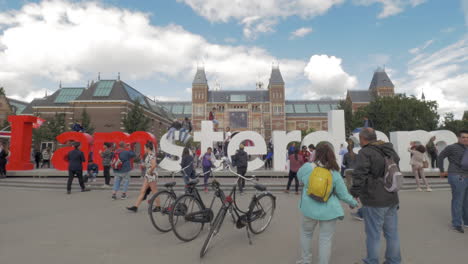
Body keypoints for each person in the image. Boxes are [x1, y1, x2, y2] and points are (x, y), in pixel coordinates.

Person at [296, 144, 358, 264]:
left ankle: (305, 260)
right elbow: (343, 194)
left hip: (308, 209)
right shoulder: (334, 173)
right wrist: (353, 202)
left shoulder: (308, 167)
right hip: (329, 212)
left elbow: (299, 178)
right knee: (325, 240)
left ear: (316, 154)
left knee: (306, 234)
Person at [350, 128, 401, 264]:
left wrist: (354, 193)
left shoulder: (365, 152)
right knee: (392, 233)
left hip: (374, 197)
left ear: (362, 139)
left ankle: (371, 261)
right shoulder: (389, 149)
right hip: (391, 195)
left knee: (373, 235)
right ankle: (393, 261)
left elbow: (359, 174)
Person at [437, 130, 468, 234]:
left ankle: (466, 221)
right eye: (463, 137)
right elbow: (440, 156)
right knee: (458, 200)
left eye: (467, 137)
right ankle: (457, 224)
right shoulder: (452, 147)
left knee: (466, 201)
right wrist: (441, 170)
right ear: (459, 138)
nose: (465, 139)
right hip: (457, 176)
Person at [127, 141, 159, 212]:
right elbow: (150, 165)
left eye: (144, 147)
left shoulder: (151, 155)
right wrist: (144, 165)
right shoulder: (148, 155)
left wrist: (150, 171)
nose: (143, 149)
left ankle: (158, 206)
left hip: (151, 176)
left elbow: (154, 165)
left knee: (154, 192)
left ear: (148, 148)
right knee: (143, 191)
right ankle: (135, 207)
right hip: (148, 175)